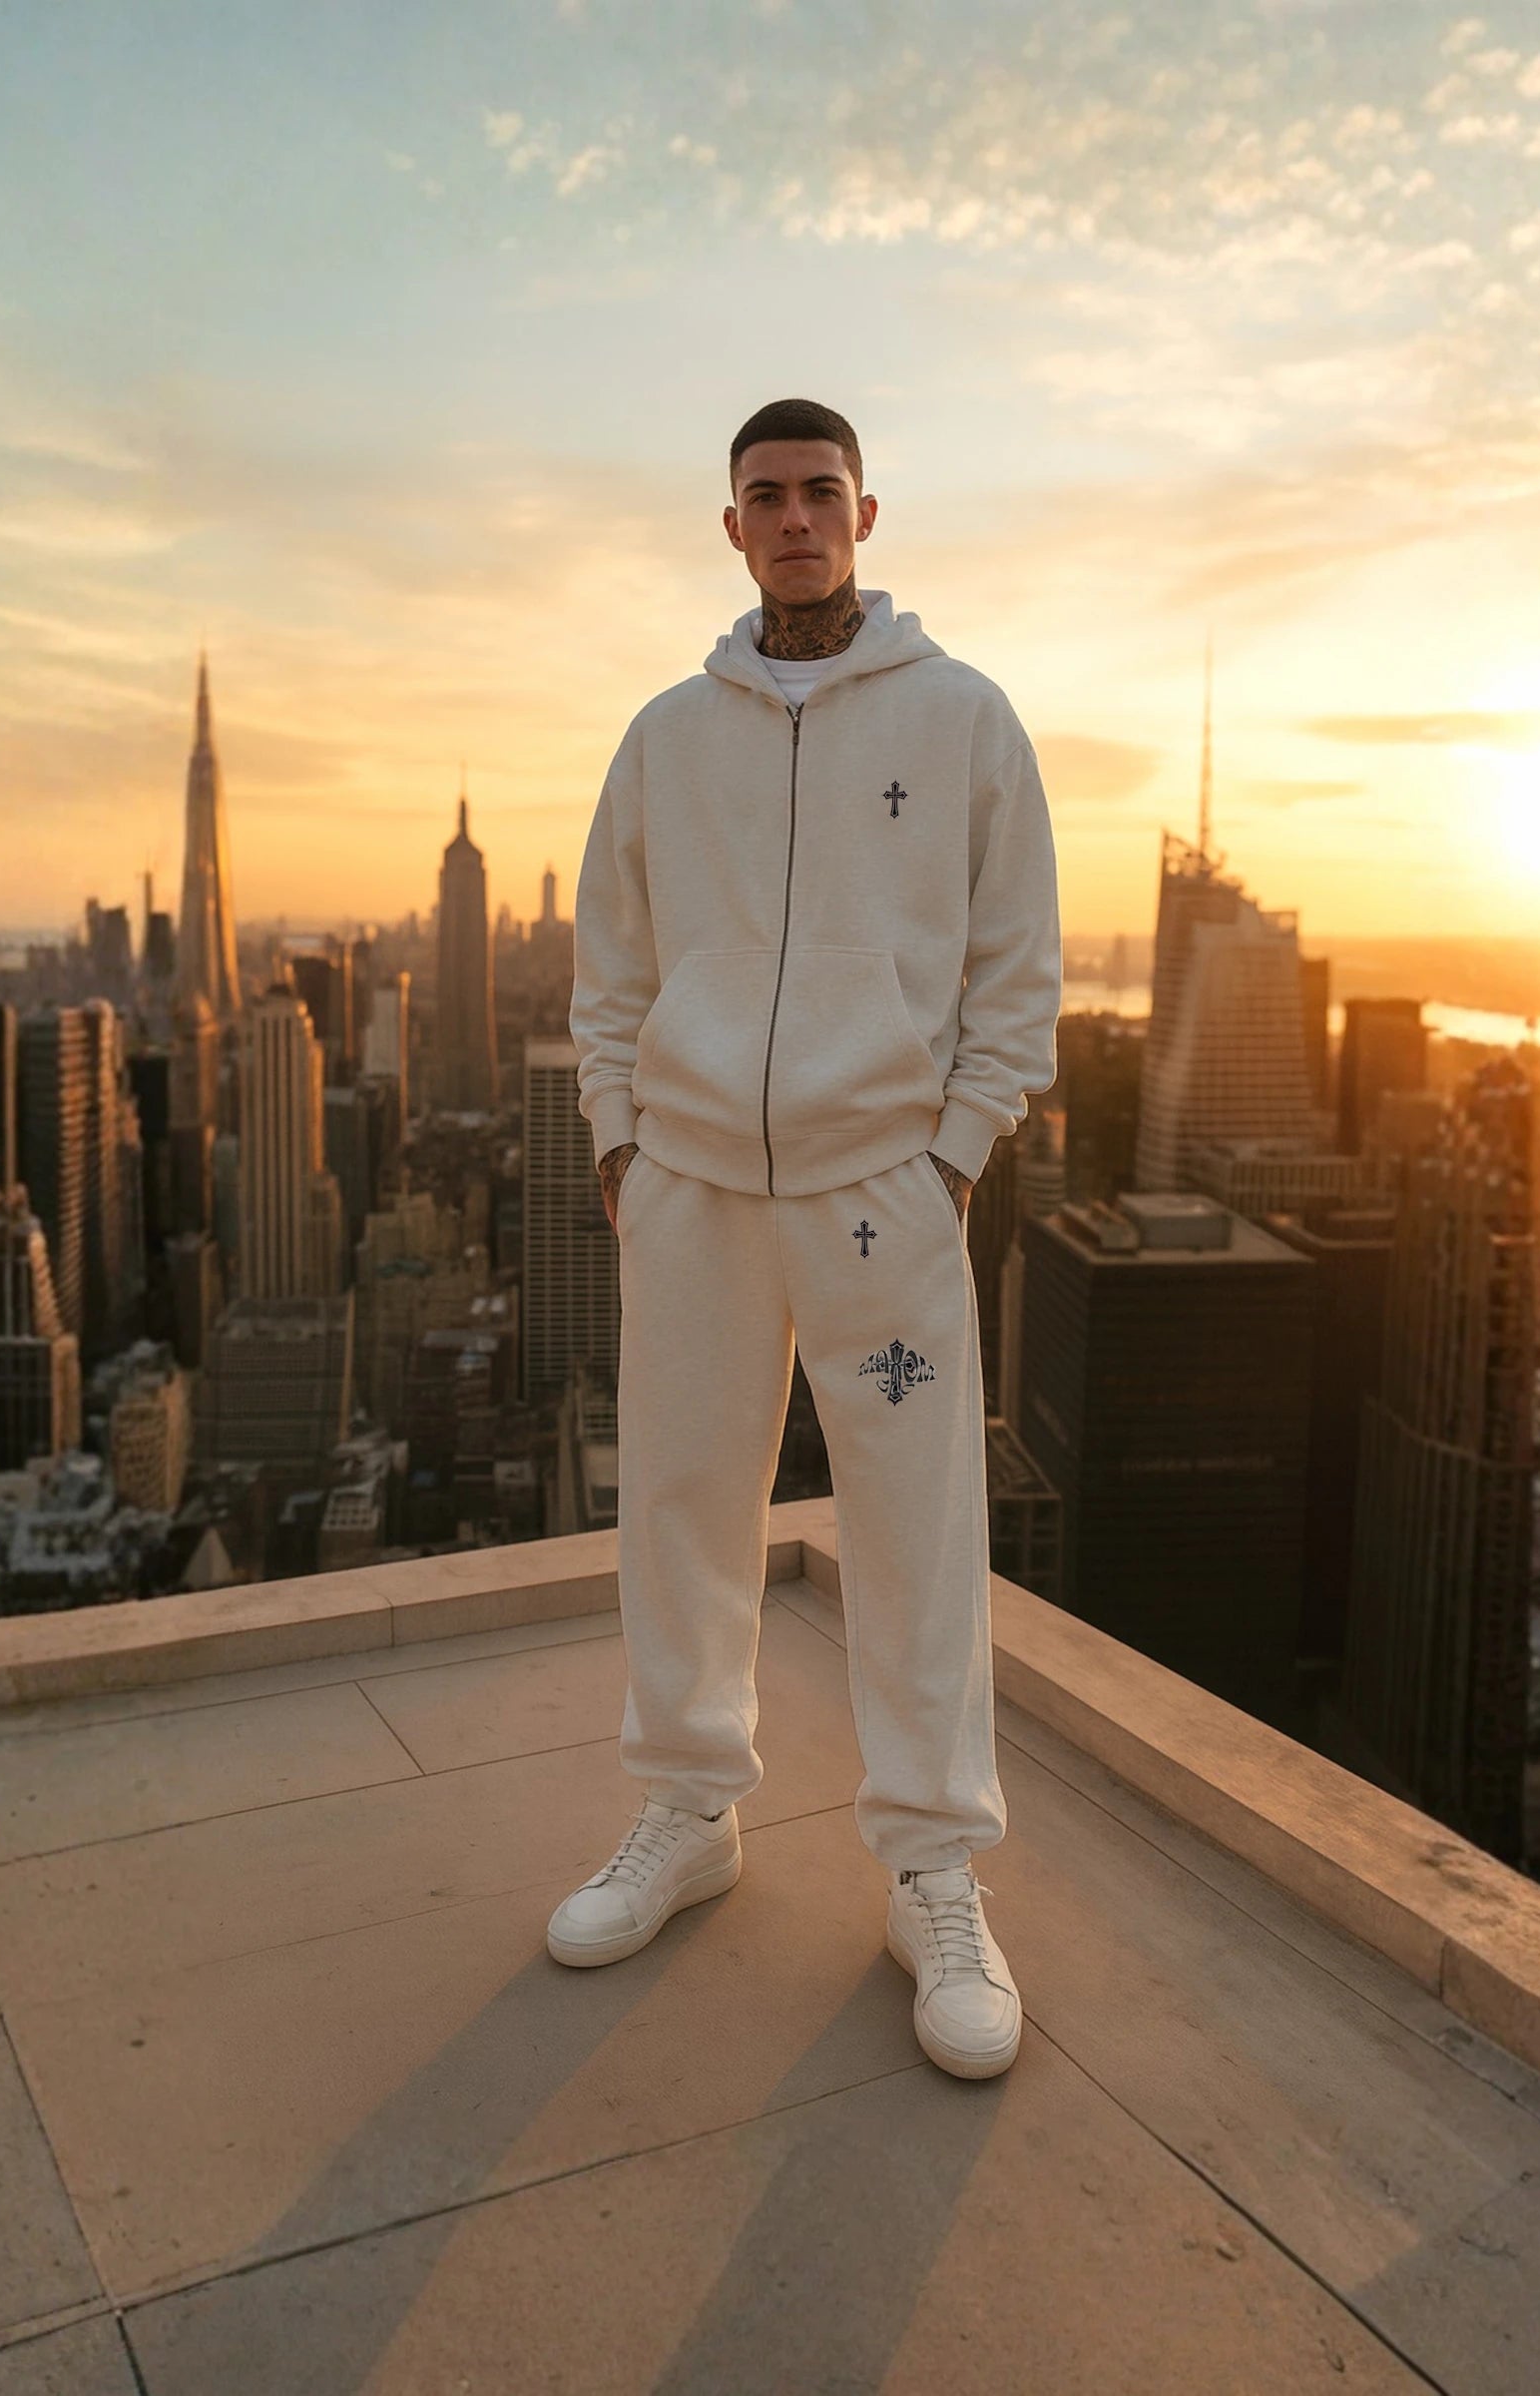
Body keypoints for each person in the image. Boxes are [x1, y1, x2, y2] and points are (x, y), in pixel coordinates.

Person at [550, 395, 1061, 2080]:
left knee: (916, 1528)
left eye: (819, 492)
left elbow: (1017, 967)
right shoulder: (664, 737)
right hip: (694, 1187)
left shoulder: (963, 718)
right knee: (681, 1503)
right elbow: (611, 961)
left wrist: (954, 1158)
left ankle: (934, 1874)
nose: (793, 518)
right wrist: (623, 1143)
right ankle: (687, 1811)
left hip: (878, 1198)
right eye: (764, 495)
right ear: (731, 525)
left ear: (864, 514)